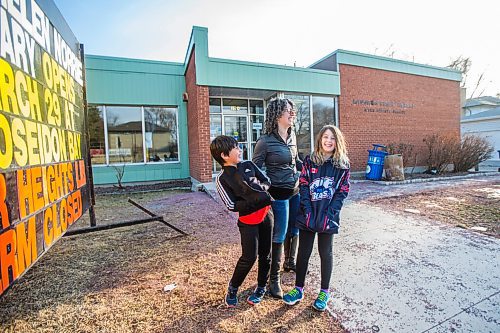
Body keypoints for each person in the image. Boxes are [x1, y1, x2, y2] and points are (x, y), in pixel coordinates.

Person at [282, 125, 350, 311]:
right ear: (320, 139)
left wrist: (330, 214)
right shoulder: (310, 161)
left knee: (325, 253)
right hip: (308, 215)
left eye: (332, 138)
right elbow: (304, 185)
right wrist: (307, 210)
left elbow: (342, 192)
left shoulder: (342, 165)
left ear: (338, 142)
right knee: (303, 252)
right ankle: (298, 289)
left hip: (328, 216)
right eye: (325, 137)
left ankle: (324, 292)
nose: (328, 141)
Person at [210, 135, 274, 307]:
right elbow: (231, 204)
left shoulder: (249, 165)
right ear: (224, 155)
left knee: (265, 254)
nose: (240, 150)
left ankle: (261, 287)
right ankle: (233, 288)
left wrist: (261, 189)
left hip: (267, 215)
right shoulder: (222, 178)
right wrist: (258, 199)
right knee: (249, 257)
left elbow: (266, 181)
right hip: (248, 221)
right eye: (236, 148)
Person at [253, 97, 301, 298]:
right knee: (279, 235)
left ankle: (291, 262)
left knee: (295, 229)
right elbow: (255, 170)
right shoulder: (265, 142)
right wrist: (266, 191)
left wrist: (305, 169)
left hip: (295, 191)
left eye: (293, 111)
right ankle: (274, 279)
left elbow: (295, 160)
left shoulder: (293, 136)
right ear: (277, 114)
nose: (292, 114)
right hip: (278, 195)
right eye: (288, 110)